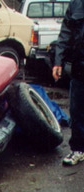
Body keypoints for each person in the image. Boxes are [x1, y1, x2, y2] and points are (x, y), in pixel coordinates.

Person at [52, 0, 84, 166]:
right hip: (80, 68)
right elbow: (65, 34)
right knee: (77, 111)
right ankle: (78, 149)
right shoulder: (76, 4)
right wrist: (58, 62)